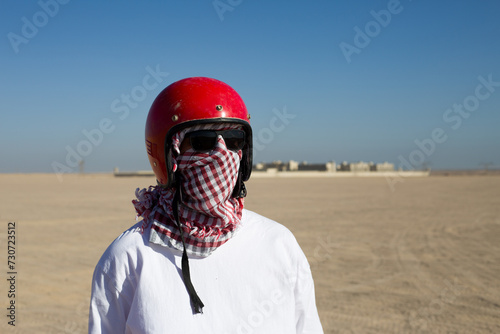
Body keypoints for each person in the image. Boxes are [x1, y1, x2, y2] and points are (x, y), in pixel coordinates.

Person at [88, 77, 324, 333]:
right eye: (203, 141)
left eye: (234, 140)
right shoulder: (128, 259)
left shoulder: (279, 244)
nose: (222, 154)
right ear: (169, 155)